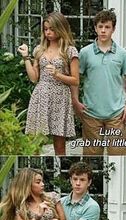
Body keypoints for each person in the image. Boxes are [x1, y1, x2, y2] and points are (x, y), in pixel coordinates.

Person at [71, 9, 126, 155]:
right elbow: (76, 79)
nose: (103, 30)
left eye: (107, 27)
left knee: (118, 153)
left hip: (116, 113)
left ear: (113, 29)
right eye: (100, 27)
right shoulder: (85, 53)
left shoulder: (122, 54)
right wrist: (75, 100)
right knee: (91, 155)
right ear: (95, 28)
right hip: (91, 113)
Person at [17, 12, 79, 155]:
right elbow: (34, 78)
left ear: (61, 28)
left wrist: (58, 74)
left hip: (60, 97)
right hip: (41, 95)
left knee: (60, 146)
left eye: (52, 29)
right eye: (46, 29)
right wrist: (26, 57)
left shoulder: (70, 51)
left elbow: (75, 80)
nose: (48, 32)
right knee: (34, 143)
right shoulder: (40, 50)